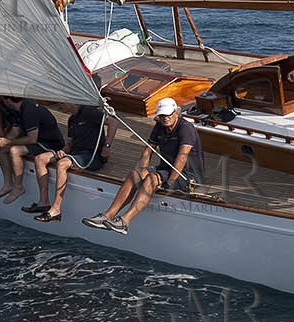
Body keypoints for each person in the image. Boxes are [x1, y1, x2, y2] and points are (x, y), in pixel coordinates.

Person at [82, 98, 204, 233]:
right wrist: (141, 170)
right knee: (135, 174)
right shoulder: (160, 126)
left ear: (176, 112)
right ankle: (107, 215)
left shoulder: (186, 128)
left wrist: (171, 181)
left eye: (168, 114)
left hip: (187, 175)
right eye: (162, 115)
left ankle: (124, 221)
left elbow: (182, 156)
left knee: (151, 179)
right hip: (166, 169)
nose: (165, 118)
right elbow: (148, 150)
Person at [37, 103, 118, 223]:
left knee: (62, 164)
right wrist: (63, 151)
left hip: (91, 156)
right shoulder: (72, 119)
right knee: (41, 158)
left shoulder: (88, 112)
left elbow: (113, 121)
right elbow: (70, 143)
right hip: (75, 153)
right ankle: (43, 202)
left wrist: (107, 145)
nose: (59, 106)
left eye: (62, 103)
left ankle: (56, 209)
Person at [0, 96, 64, 208]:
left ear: (8, 100)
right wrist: (1, 142)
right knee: (3, 149)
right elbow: (15, 131)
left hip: (49, 144)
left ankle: (18, 187)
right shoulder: (17, 109)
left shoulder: (29, 110)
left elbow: (32, 139)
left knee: (15, 150)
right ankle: (8, 183)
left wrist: (9, 142)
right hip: (37, 142)